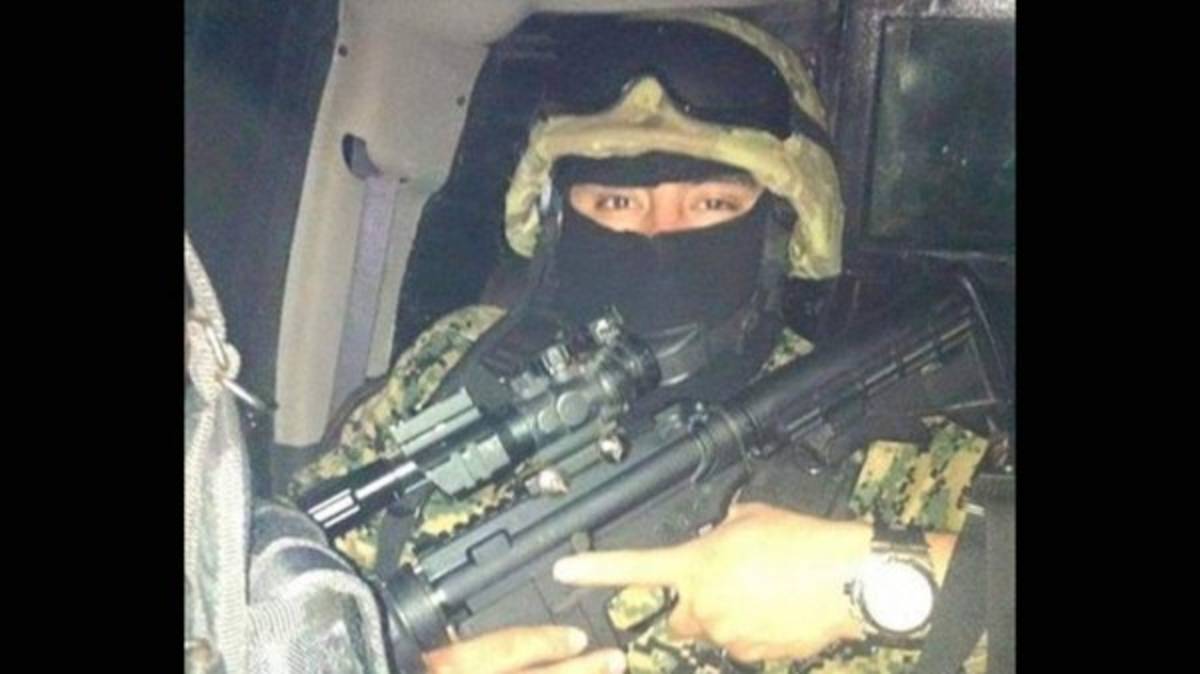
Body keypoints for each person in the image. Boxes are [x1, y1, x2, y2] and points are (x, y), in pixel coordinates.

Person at [289, 10, 998, 674]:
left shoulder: (863, 426)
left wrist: (873, 580)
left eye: (712, 203)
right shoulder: (457, 365)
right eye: (616, 202)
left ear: (781, 228)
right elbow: (275, 581)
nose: (658, 235)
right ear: (558, 220)